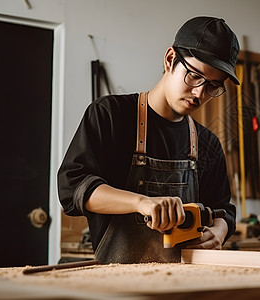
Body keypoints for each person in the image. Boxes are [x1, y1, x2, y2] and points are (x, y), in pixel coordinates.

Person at [57, 16, 239, 264]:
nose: (199, 93)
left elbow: (223, 210)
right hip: (116, 284)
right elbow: (72, 187)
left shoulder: (208, 144)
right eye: (195, 76)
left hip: (186, 284)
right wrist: (141, 203)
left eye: (212, 86)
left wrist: (218, 232)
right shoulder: (110, 115)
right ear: (170, 59)